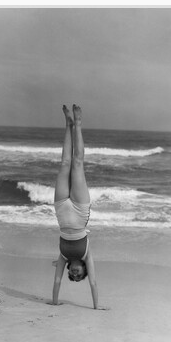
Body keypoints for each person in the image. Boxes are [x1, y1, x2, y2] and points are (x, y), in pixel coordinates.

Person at [51, 104, 108, 310]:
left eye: (72, 276)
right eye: (79, 275)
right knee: (77, 163)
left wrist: (55, 302)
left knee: (64, 163)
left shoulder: (63, 256)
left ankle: (67, 124)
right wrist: (96, 306)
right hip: (79, 209)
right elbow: (93, 283)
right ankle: (79, 123)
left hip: (61, 209)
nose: (75, 275)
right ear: (83, 269)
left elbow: (57, 282)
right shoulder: (86, 255)